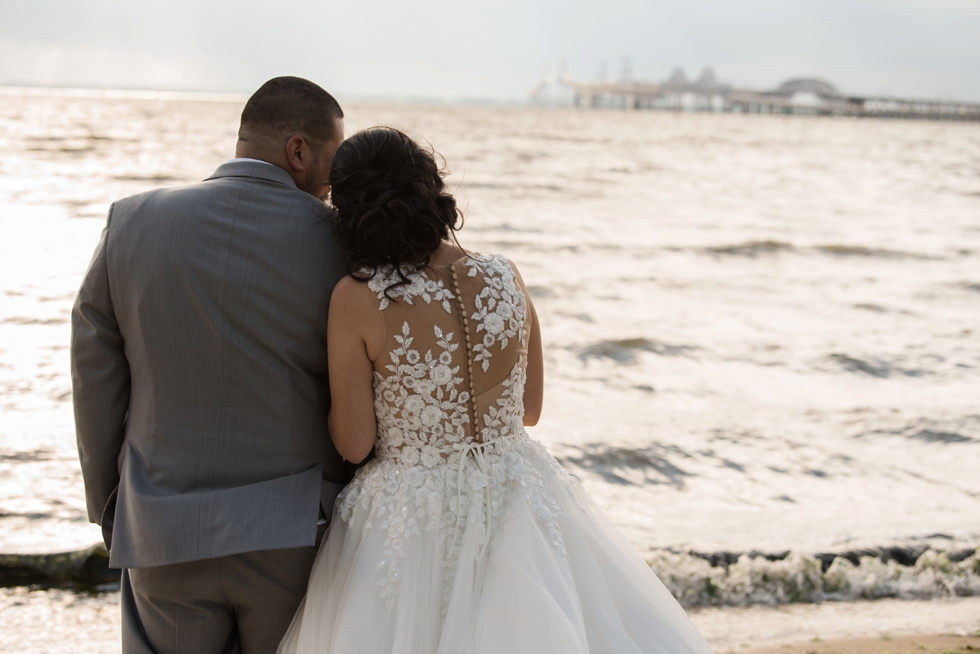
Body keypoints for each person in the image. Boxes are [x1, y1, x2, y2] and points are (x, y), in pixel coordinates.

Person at [278, 127, 713, 654]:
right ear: (430, 188)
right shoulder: (505, 275)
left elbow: (353, 443)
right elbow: (530, 411)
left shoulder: (358, 297)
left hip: (410, 513)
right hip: (519, 492)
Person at [71, 76, 350, 654]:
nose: (333, 182)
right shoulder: (342, 244)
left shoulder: (131, 222)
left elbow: (93, 375)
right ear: (298, 151)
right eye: (332, 159)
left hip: (162, 527)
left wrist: (112, 509)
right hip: (294, 531)